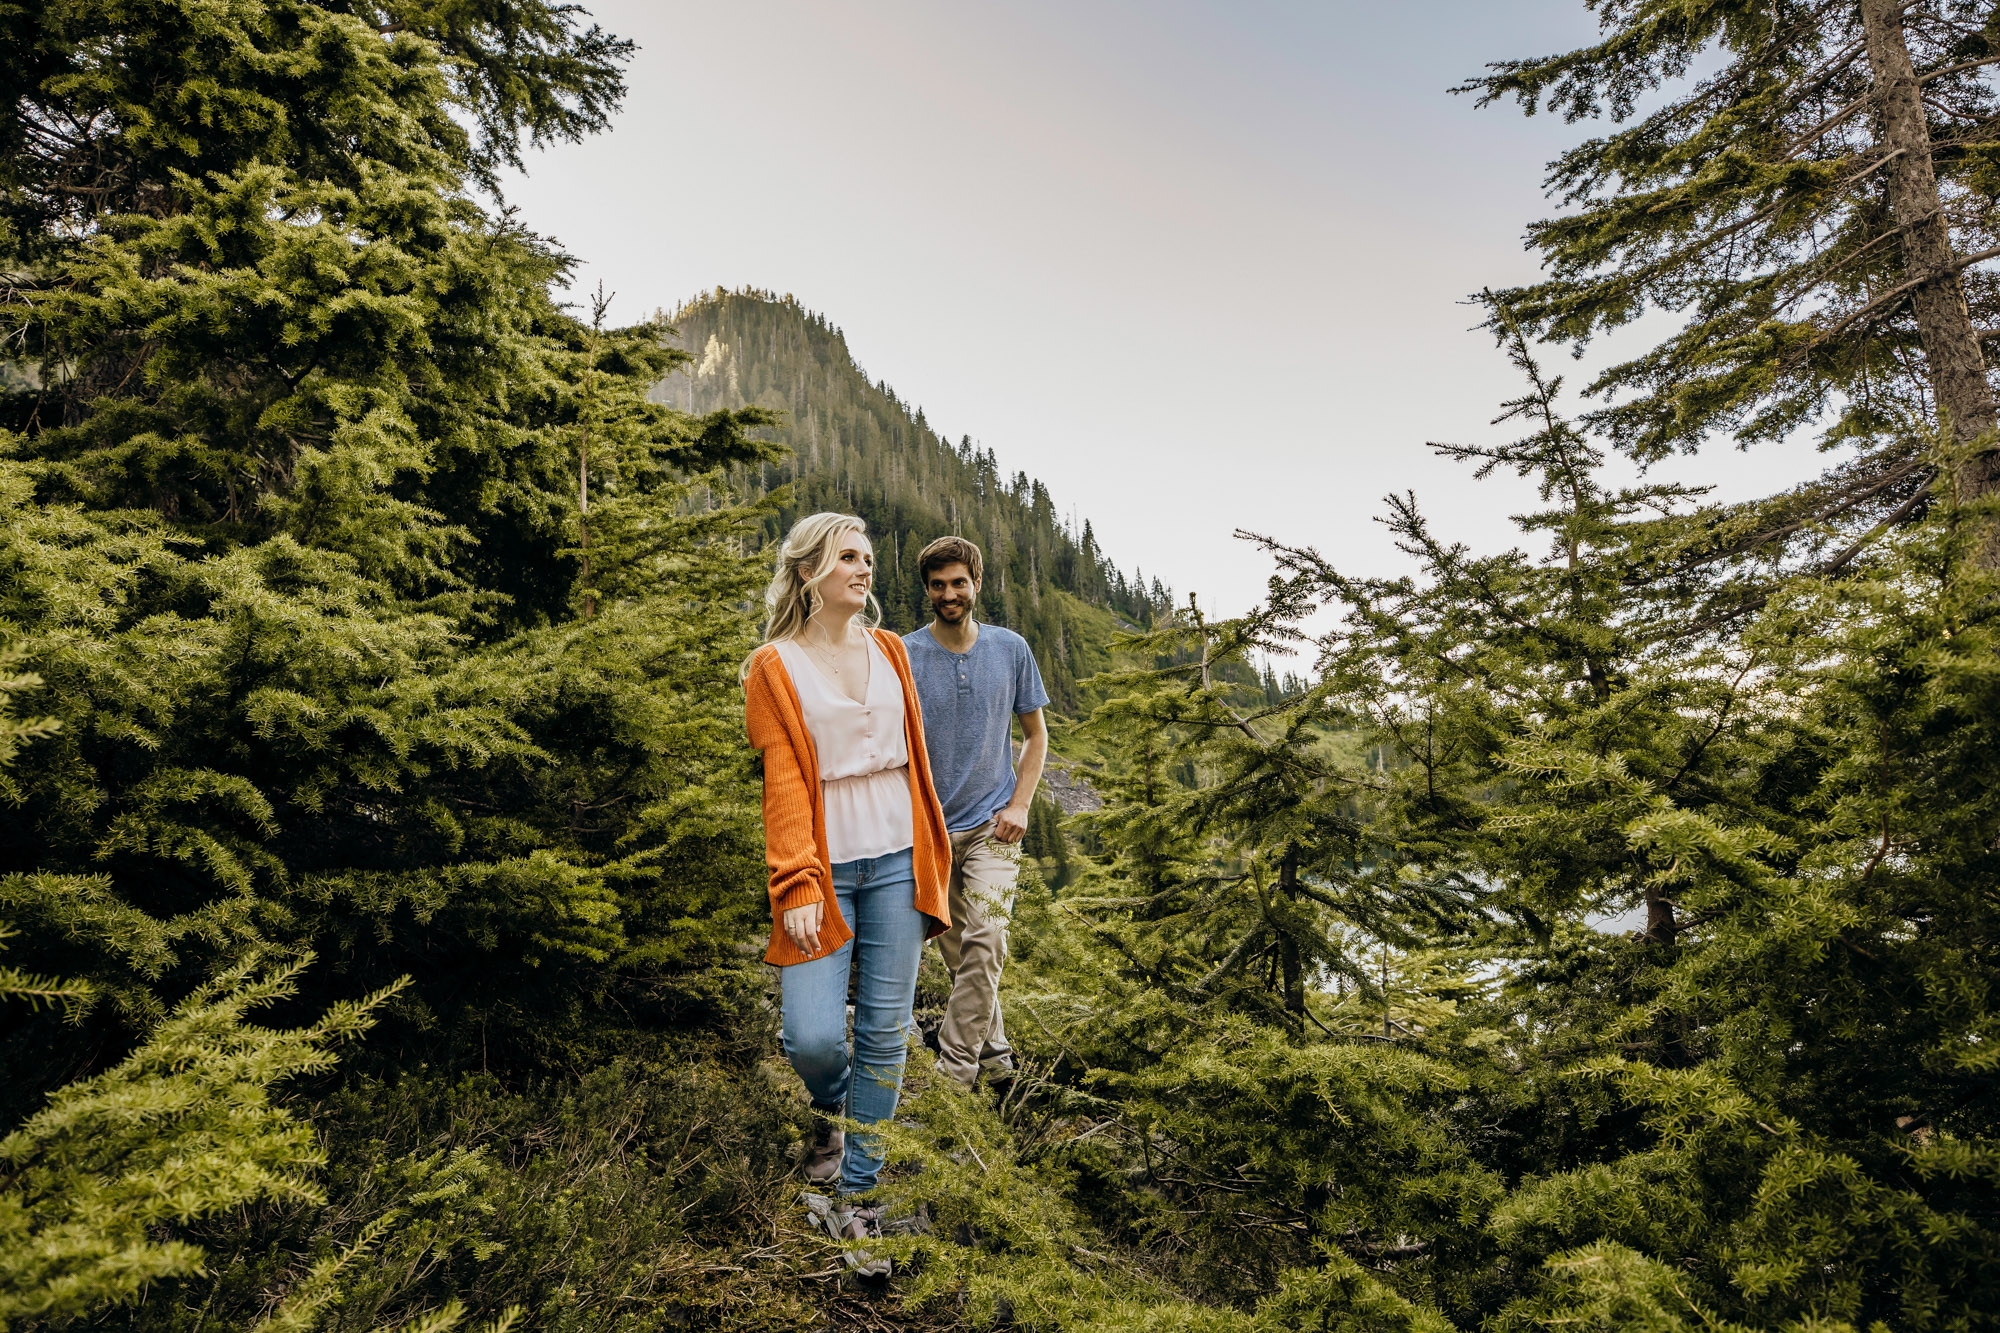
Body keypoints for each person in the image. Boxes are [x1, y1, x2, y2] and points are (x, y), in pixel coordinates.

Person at [741, 512, 953, 1272]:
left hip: (899, 857)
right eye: (847, 558)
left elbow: (913, 763)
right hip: (824, 869)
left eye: (867, 557)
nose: (865, 569)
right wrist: (795, 881)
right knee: (814, 1037)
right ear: (809, 572)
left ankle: (857, 1194)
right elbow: (785, 784)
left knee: (886, 1034)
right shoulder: (775, 665)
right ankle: (829, 1113)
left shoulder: (890, 648)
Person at [902, 536, 1048, 1090]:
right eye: (938, 585)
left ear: (977, 584)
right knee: (965, 957)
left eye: (958, 582)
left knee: (988, 937)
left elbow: (1036, 737)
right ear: (928, 591)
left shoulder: (1011, 648)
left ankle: (954, 1075)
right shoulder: (906, 654)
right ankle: (1000, 1064)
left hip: (994, 826)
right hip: (931, 833)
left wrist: (1021, 806)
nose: (948, 594)